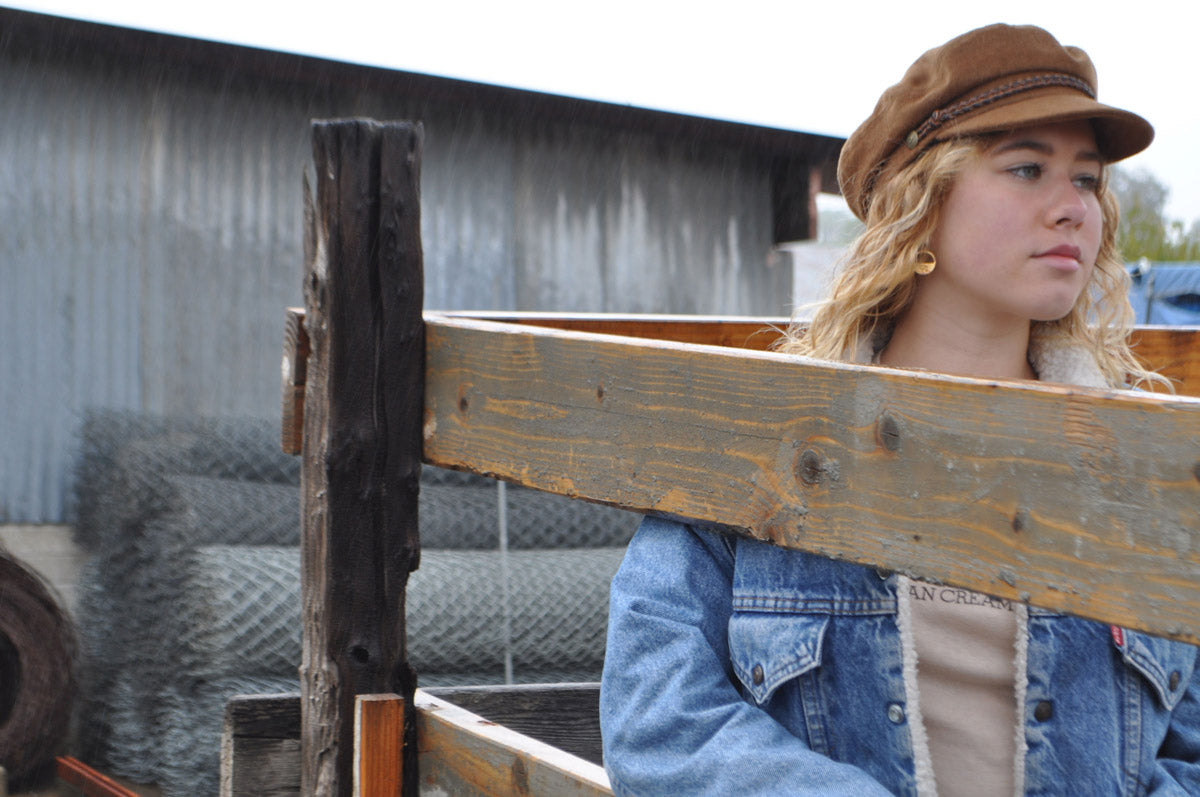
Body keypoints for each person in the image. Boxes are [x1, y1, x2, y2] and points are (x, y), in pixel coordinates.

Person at [599, 23, 1200, 796]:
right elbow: (659, 720)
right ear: (923, 202)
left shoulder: (1143, 466)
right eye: (1026, 168)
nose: (1073, 209)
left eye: (1086, 180)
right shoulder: (762, 440)